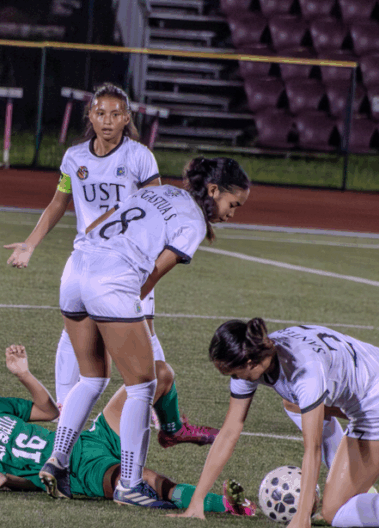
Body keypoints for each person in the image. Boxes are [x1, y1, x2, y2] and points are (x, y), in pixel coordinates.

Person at [3, 83, 218, 448]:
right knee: (78, 342)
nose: (107, 120)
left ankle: (168, 422)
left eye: (116, 114)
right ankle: (68, 423)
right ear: (90, 115)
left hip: (130, 263)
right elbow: (58, 203)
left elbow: (156, 205)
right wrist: (30, 243)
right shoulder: (74, 158)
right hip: (88, 261)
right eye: (100, 113)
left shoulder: (139, 157)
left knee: (147, 340)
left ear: (126, 118)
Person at [38, 156, 251, 508]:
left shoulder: (158, 191)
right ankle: (130, 484)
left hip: (76, 267)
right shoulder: (194, 221)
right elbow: (152, 275)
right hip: (111, 279)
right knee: (143, 384)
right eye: (233, 204)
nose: (232, 213)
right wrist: (121, 308)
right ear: (213, 190)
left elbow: (104, 219)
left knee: (92, 378)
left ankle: (57, 461)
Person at [170, 318, 379, 528]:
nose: (232, 379)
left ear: (249, 362)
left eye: (231, 372)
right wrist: (197, 502)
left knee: (334, 513)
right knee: (292, 403)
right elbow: (229, 431)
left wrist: (302, 517)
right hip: (372, 375)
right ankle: (355, 485)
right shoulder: (260, 353)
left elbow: (312, 448)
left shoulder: (304, 373)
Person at [0, 345, 255, 515]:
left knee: (156, 372)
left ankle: (171, 430)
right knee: (146, 482)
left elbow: (49, 411)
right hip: (73, 471)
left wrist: (23, 374)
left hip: (88, 440)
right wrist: (6, 480)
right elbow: (29, 482)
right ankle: (228, 506)